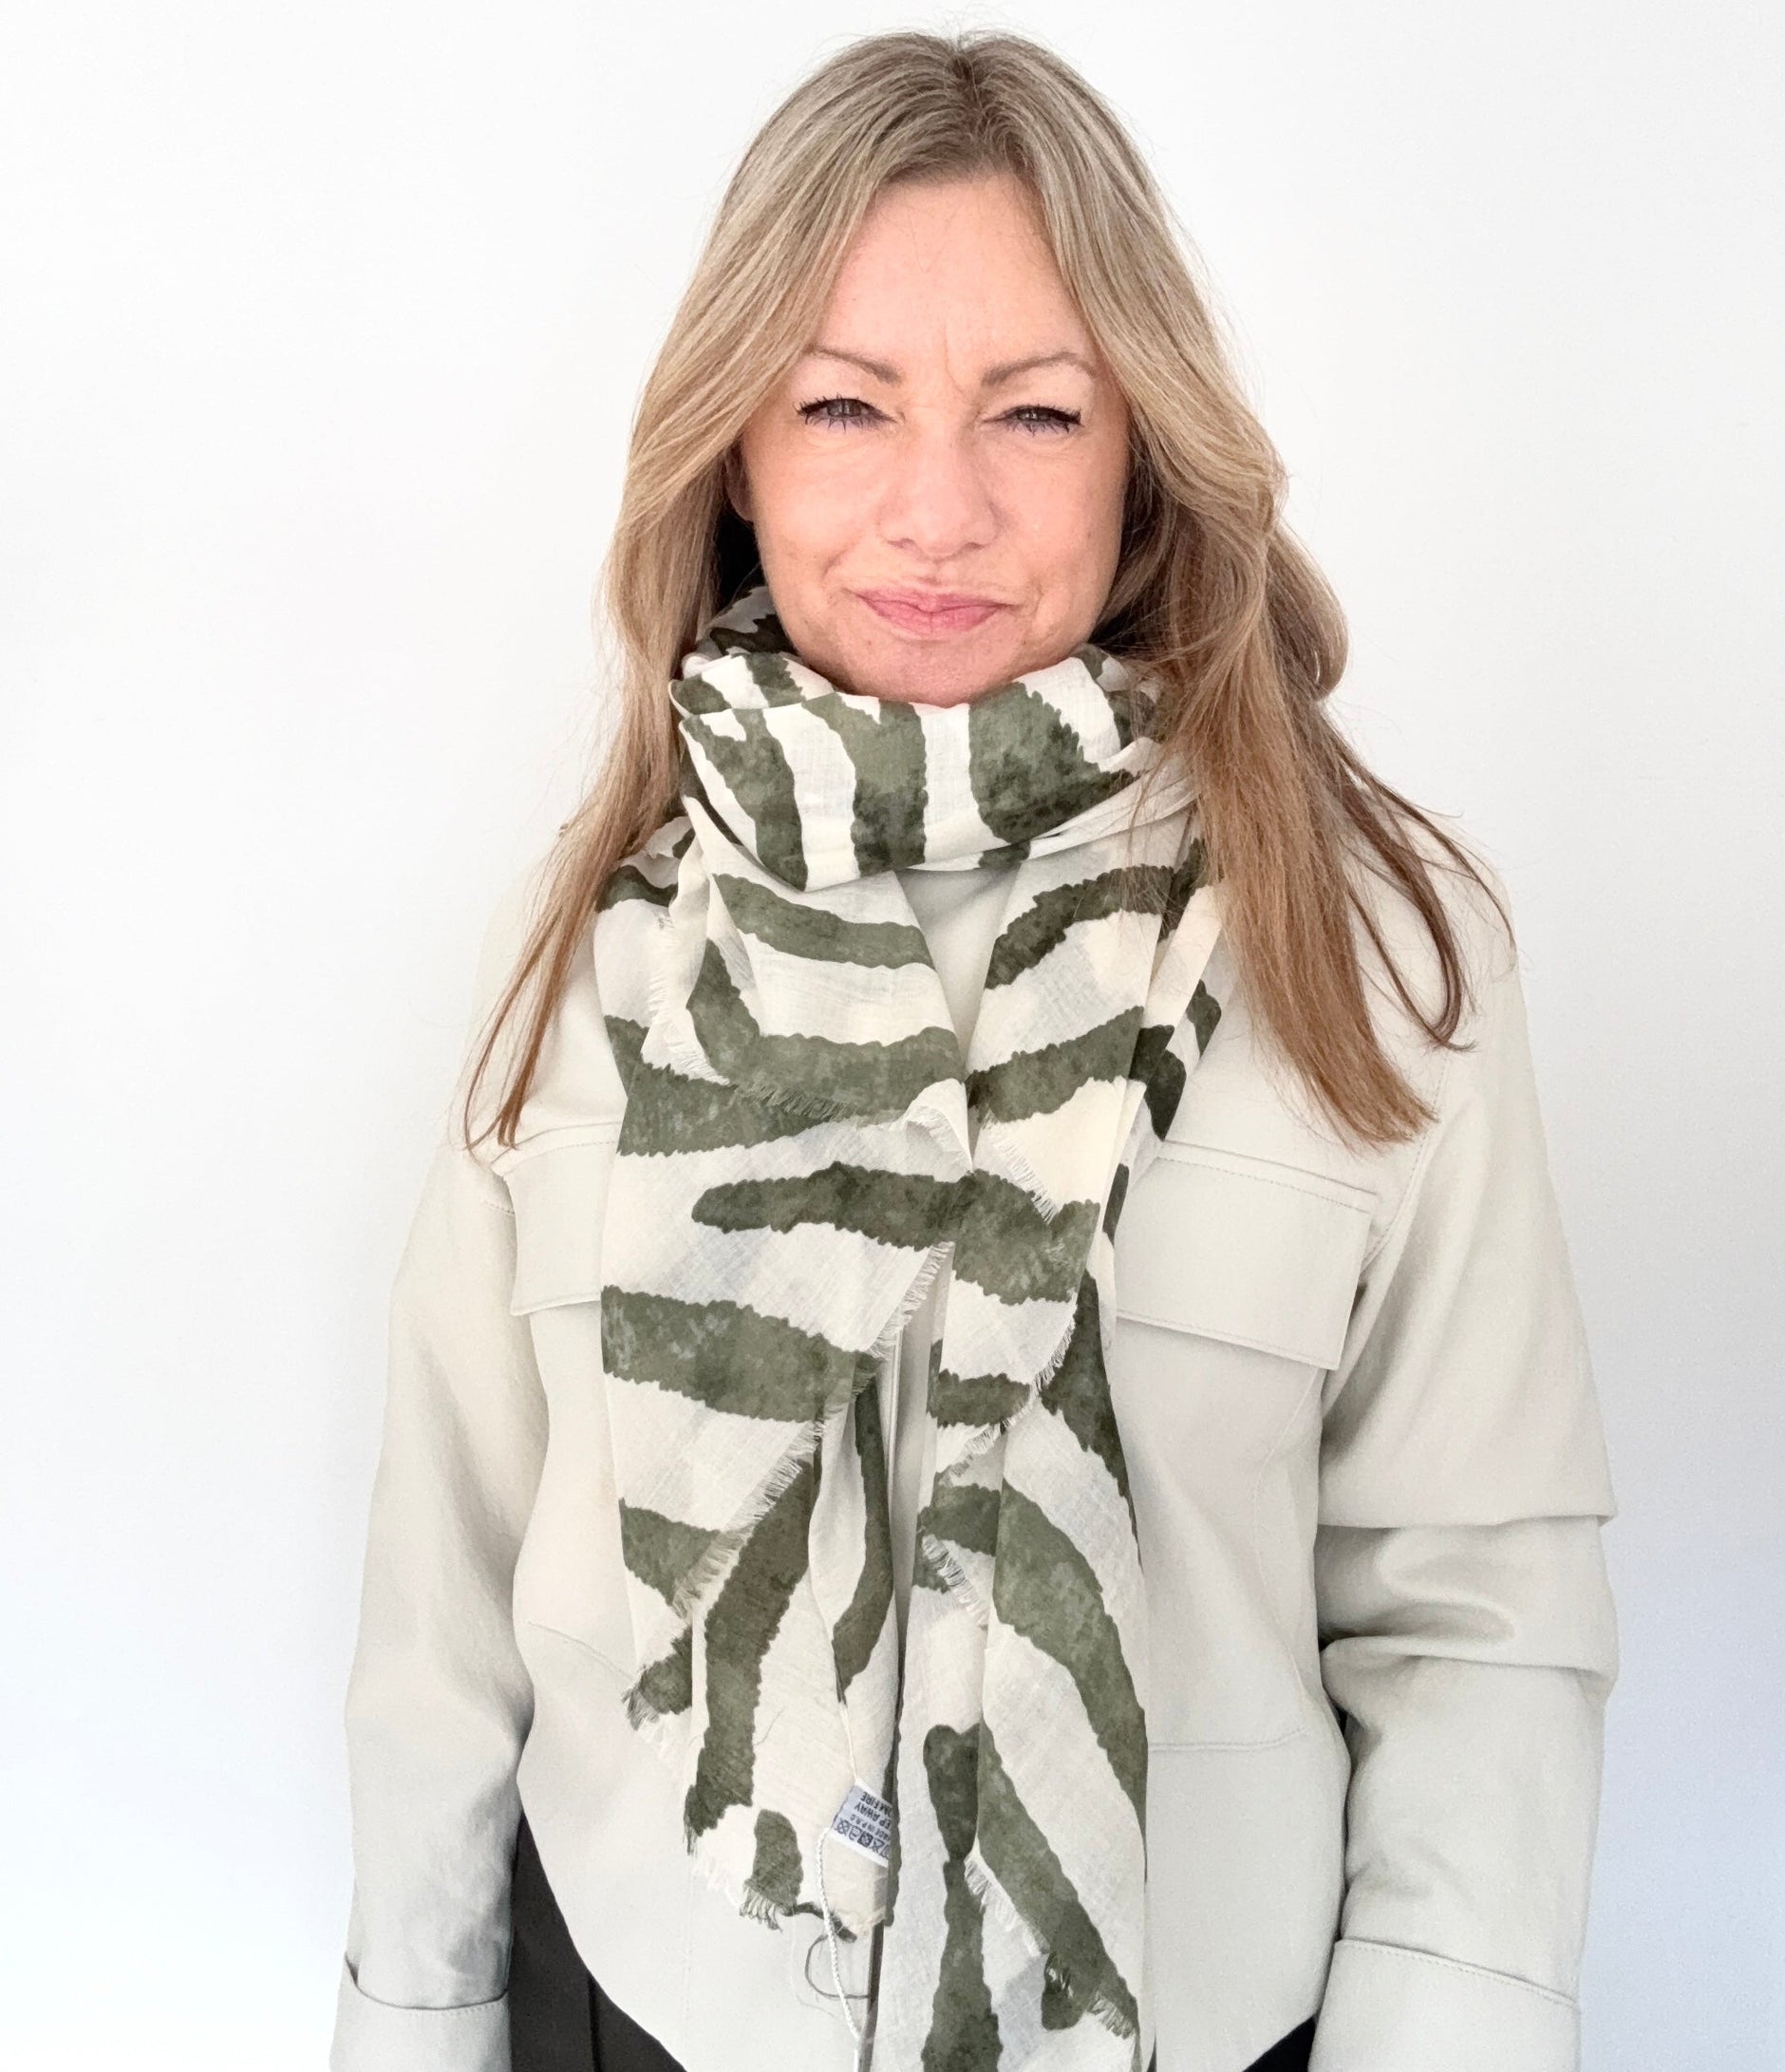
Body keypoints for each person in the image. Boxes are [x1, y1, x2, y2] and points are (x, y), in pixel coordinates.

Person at [329, 28, 1619, 2072]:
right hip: (641, 2008)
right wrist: (413, 2018)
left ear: (1142, 460)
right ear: (733, 451)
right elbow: (447, 1591)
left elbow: (1475, 1613)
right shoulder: (587, 948)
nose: (936, 508)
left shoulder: (1376, 952)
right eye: (843, 404)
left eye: (1034, 411)